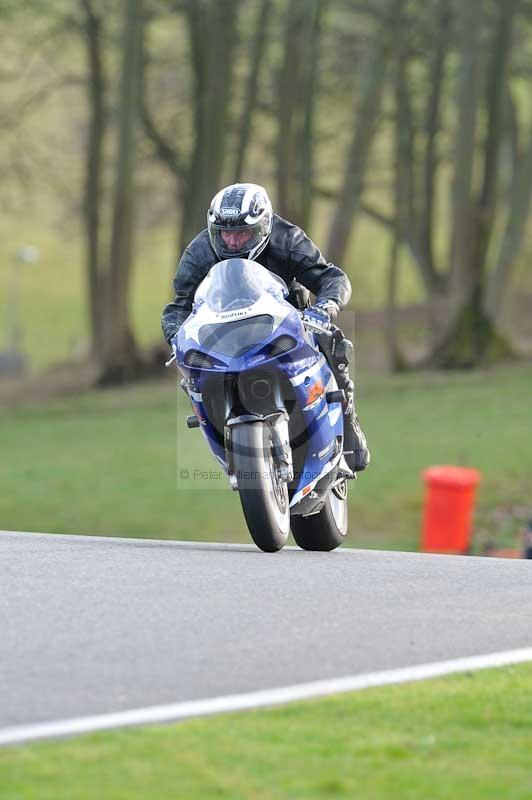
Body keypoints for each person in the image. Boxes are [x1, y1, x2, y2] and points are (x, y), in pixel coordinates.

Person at [161, 182, 370, 473]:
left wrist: (325, 308)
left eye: (242, 233)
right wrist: (176, 336)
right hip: (223, 334)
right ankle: (216, 424)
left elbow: (331, 278)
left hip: (285, 324)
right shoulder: (199, 252)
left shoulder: (287, 239)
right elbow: (178, 306)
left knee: (332, 342)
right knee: (193, 373)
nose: (232, 242)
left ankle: (348, 421)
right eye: (225, 233)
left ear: (263, 227)